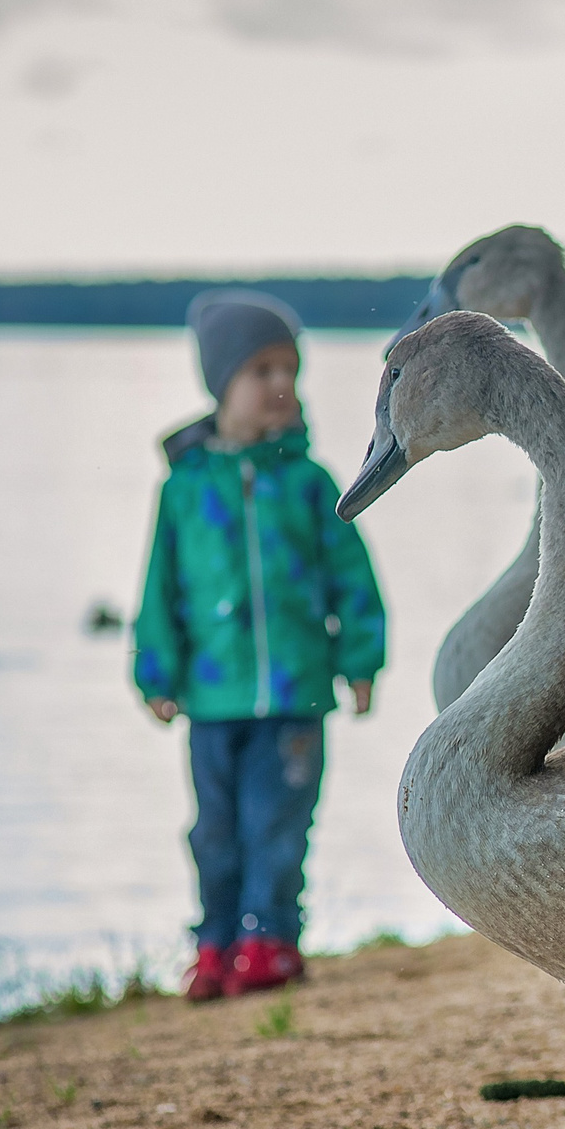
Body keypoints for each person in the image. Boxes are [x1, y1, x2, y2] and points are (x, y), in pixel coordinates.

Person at [132, 290, 386, 1001]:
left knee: (275, 823)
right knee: (215, 831)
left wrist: (360, 660)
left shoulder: (310, 485)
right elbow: (160, 587)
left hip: (296, 693)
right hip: (212, 697)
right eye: (262, 370)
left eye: (290, 370)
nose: (281, 385)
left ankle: (270, 938)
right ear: (222, 387)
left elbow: (352, 578)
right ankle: (214, 943)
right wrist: (156, 671)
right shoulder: (184, 490)